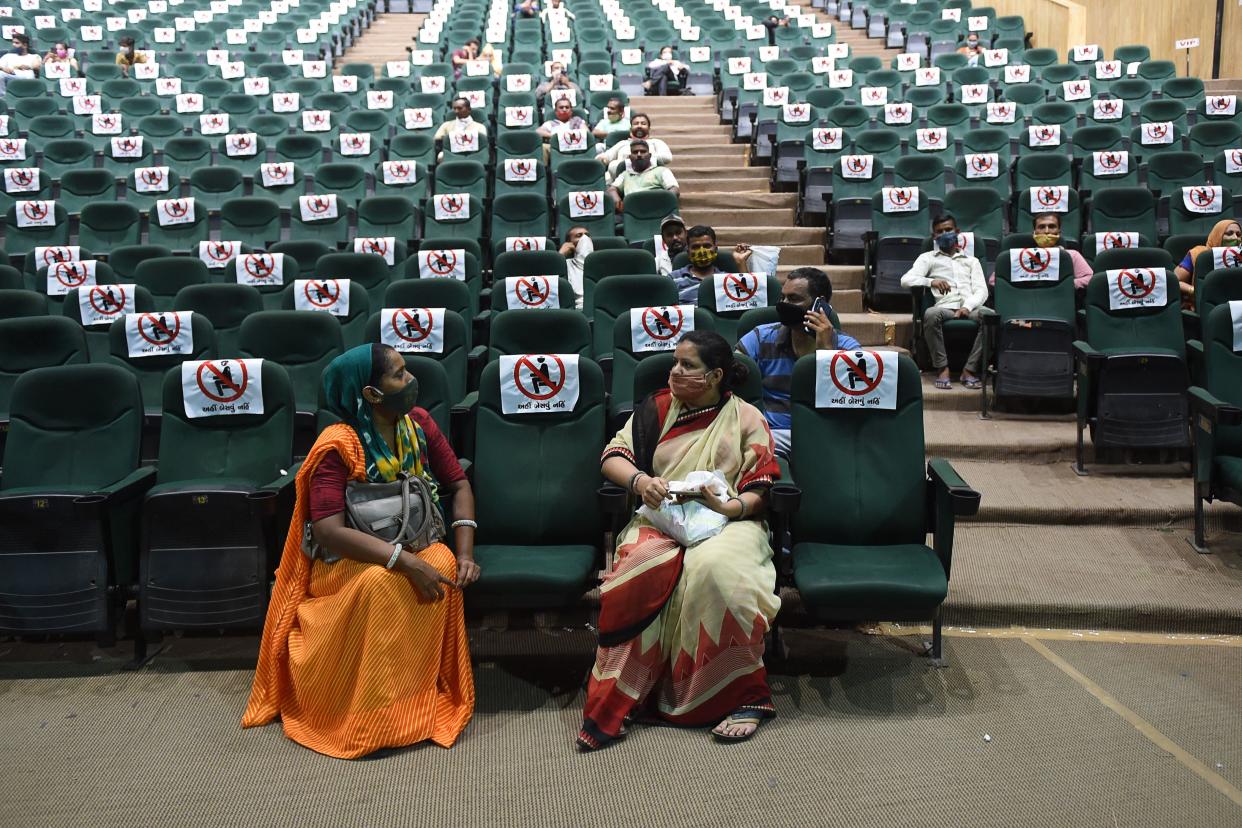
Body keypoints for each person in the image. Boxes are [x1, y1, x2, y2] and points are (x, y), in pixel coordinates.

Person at [243, 344, 477, 759]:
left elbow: (458, 484)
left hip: (413, 544)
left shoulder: (418, 425)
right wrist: (400, 560)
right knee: (381, 583)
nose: (411, 382)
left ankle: (412, 701)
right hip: (347, 562)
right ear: (371, 394)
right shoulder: (339, 444)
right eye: (400, 375)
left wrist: (464, 554)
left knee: (439, 564)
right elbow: (328, 531)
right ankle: (368, 714)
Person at [579, 331, 782, 750]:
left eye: (687, 365)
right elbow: (612, 456)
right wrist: (640, 481)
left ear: (715, 375)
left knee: (716, 571)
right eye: (674, 362)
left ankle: (741, 696)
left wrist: (730, 509)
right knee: (640, 567)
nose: (674, 371)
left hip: (729, 521)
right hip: (662, 516)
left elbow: (760, 486)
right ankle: (627, 693)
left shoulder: (747, 417)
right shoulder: (655, 410)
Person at [736, 267, 861, 456]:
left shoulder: (848, 349)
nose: (784, 304)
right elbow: (731, 373)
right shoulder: (760, 336)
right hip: (772, 435)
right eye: (783, 298)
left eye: (793, 299)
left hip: (826, 434)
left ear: (819, 304)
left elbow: (848, 405)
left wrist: (826, 353)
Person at [900, 215, 988, 390]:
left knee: (990, 317)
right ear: (934, 236)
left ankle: (969, 370)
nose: (945, 234)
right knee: (931, 314)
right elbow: (906, 280)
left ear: (957, 232)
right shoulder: (928, 258)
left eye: (948, 230)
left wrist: (966, 307)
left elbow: (982, 290)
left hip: (970, 307)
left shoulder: (972, 261)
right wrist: (930, 281)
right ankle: (942, 368)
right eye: (939, 232)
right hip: (944, 308)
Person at [987, 212, 1093, 291]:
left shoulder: (1071, 255)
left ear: (1059, 232)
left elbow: (1090, 278)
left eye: (1052, 226)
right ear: (1034, 232)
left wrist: (1064, 285)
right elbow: (993, 281)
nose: (1046, 231)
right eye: (1041, 227)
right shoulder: (1019, 257)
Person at [670, 225, 754, 303]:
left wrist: (741, 262)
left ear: (715, 249)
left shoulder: (727, 279)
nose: (702, 251)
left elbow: (747, 302)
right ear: (688, 252)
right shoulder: (672, 279)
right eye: (695, 247)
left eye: (707, 246)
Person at [1175, 219, 1241, 309]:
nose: (1235, 238)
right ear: (1218, 235)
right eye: (1229, 233)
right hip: (1204, 307)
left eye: (1238, 234)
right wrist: (1195, 291)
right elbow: (1174, 280)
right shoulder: (1198, 254)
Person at [607, 140, 679, 212]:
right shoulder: (625, 175)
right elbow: (612, 189)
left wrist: (663, 202)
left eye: (643, 151)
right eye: (635, 152)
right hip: (632, 213)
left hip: (658, 211)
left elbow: (674, 189)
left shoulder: (662, 171)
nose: (639, 154)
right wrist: (616, 198)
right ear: (630, 157)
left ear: (650, 155)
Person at [596, 113, 673, 178]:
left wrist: (642, 158)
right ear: (630, 129)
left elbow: (667, 157)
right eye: (636, 124)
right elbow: (606, 157)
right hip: (623, 178)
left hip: (650, 178)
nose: (639, 126)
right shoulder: (622, 143)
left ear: (649, 129)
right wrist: (602, 159)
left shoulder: (656, 142)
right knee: (613, 165)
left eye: (643, 123)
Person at [559, 224, 593, 308]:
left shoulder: (604, 262)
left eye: (587, 235)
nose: (585, 238)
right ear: (569, 243)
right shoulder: (565, 264)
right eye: (579, 235)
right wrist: (560, 254)